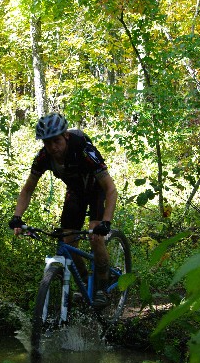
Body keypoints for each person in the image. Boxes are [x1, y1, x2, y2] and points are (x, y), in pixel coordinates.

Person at [8, 113, 118, 307]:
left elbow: (110, 189)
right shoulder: (44, 157)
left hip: (96, 190)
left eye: (56, 141)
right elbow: (27, 189)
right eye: (47, 142)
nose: (52, 147)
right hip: (75, 191)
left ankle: (102, 286)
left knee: (95, 235)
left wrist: (105, 222)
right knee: (68, 240)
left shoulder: (85, 151)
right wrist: (17, 217)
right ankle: (85, 284)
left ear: (66, 135)